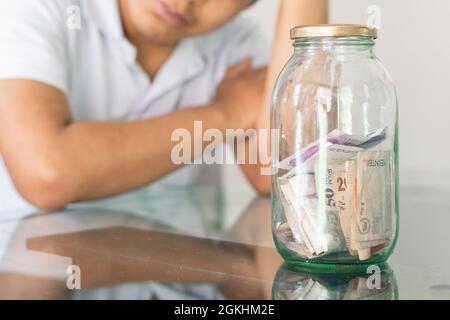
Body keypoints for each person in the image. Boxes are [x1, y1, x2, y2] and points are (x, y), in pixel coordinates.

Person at [0, 0, 328, 211]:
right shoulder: (38, 8)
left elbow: (281, 176)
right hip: (32, 263)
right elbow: (46, 173)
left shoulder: (237, 45)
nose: (183, 4)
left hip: (179, 277)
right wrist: (226, 114)